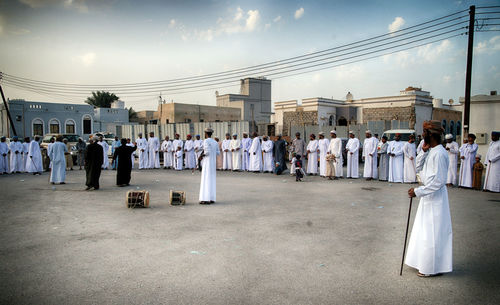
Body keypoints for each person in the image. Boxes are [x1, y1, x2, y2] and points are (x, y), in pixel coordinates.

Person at [406, 120, 452, 277]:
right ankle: (426, 263)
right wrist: (424, 152)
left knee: (432, 232)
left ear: (431, 135)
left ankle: (430, 268)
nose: (422, 135)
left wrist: (418, 191)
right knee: (425, 231)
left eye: (424, 132)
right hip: (427, 196)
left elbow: (438, 182)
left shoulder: (439, 153)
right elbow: (419, 168)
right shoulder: (431, 151)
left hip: (435, 198)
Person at [199, 128, 220, 204]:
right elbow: (218, 153)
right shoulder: (215, 142)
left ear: (206, 134)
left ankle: (205, 199)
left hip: (207, 163)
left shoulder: (206, 141)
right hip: (213, 163)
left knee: (206, 179)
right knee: (211, 180)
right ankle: (211, 198)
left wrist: (201, 156)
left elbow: (207, 152)